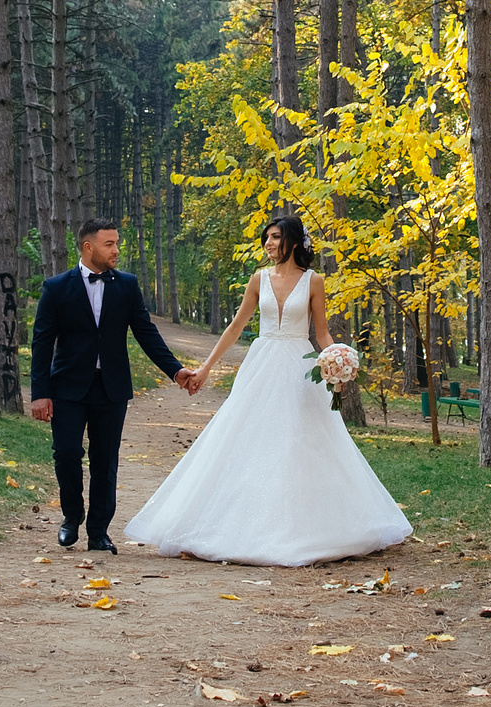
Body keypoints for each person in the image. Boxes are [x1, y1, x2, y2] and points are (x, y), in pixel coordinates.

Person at [124, 215, 411, 566]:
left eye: (275, 237)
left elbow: (321, 333)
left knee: (301, 440)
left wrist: (336, 362)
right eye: (266, 239)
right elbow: (236, 326)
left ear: (292, 241)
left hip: (298, 364)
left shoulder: (313, 281)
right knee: (246, 437)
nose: (269, 244)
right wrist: (206, 367)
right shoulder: (258, 278)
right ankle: (237, 522)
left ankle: (314, 527)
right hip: (261, 365)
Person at [29, 218, 198, 554]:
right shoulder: (56, 287)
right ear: (88, 247)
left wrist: (176, 371)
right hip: (67, 388)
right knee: (66, 454)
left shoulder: (127, 285)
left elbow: (146, 333)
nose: (116, 250)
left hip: (111, 387)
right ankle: (70, 518)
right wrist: (40, 393)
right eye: (109, 244)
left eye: (117, 243)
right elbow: (42, 343)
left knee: (105, 460)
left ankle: (99, 532)